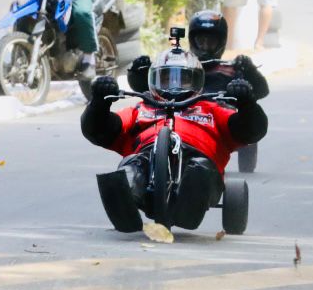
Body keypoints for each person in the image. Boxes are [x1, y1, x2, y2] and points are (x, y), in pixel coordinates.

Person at [83, 44, 267, 230]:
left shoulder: (211, 110)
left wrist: (247, 104)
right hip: (145, 160)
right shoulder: (141, 109)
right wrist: (99, 103)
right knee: (129, 167)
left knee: (199, 168)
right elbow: (99, 130)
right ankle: (125, 202)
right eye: (166, 78)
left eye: (183, 80)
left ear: (197, 81)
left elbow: (250, 131)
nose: (174, 85)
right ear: (153, 80)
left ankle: (190, 202)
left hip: (200, 162)